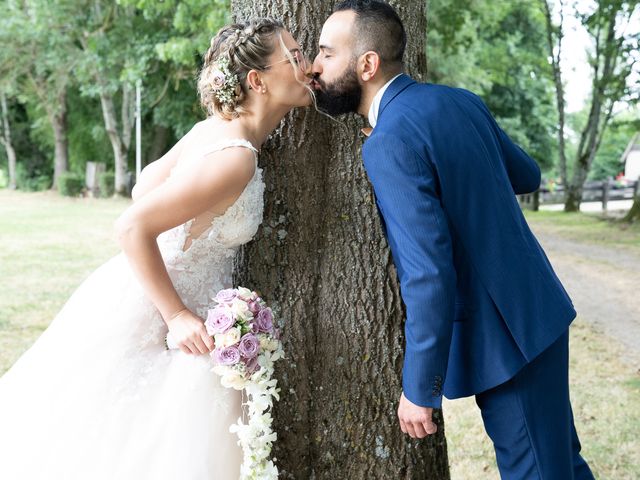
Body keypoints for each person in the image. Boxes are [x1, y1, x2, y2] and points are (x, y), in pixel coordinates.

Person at [0, 18, 311, 480]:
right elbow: (130, 226)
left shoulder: (213, 130)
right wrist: (177, 314)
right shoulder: (235, 157)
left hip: (137, 291)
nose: (309, 66)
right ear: (256, 80)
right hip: (165, 309)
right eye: (295, 57)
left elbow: (146, 181)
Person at [311, 1, 595, 478]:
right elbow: (527, 174)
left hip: (504, 339)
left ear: (367, 64)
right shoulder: (460, 101)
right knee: (562, 463)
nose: (314, 67)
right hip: (539, 312)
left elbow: (427, 272)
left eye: (325, 53)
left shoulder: (389, 141)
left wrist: (420, 389)